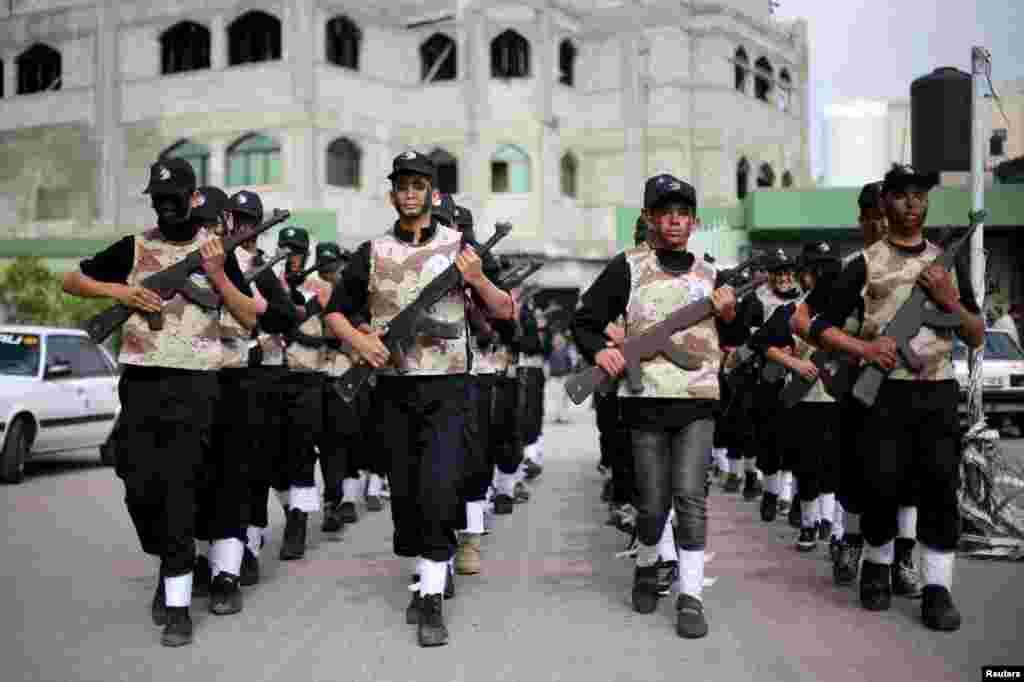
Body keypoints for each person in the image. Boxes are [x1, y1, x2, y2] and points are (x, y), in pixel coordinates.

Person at [61, 158, 297, 647]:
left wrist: (218, 273)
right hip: (142, 381)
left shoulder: (214, 250)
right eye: (158, 199)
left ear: (193, 198)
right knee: (138, 485)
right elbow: (73, 280)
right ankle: (176, 557)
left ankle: (177, 601)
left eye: (175, 198)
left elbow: (249, 320)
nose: (166, 206)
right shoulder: (136, 246)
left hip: (198, 384)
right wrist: (123, 291)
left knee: (182, 485)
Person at [322, 151, 513, 647]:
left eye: (418, 184)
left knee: (439, 484)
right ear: (393, 195)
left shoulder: (462, 246)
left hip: (448, 387)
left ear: (432, 192)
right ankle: (427, 562)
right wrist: (360, 342)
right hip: (392, 388)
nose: (410, 193)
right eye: (402, 185)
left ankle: (430, 596)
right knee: (406, 495)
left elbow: (505, 309)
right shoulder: (373, 251)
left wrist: (476, 278)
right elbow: (337, 313)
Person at [809, 165, 984, 631]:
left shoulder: (946, 262)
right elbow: (818, 326)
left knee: (940, 490)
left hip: (937, 391)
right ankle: (878, 566)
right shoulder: (864, 264)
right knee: (880, 484)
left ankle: (937, 588)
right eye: (903, 195)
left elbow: (977, 334)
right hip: (883, 393)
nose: (913, 204)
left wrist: (949, 299)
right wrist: (864, 348)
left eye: (920, 196)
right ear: (885, 203)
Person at [572, 173, 741, 639]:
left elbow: (740, 335)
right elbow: (584, 321)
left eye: (683, 213)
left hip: (698, 403)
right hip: (644, 401)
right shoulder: (628, 267)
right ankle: (647, 565)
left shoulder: (712, 273)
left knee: (690, 498)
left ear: (695, 220)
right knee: (651, 505)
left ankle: (690, 596)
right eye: (665, 212)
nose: (674, 220)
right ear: (648, 217)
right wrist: (599, 352)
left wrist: (730, 314)